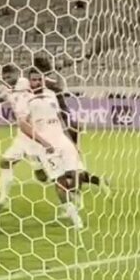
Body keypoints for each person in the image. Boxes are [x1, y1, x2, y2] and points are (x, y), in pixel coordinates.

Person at [20, 67, 85, 228]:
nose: (37, 82)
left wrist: (73, 143)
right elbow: (23, 126)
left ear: (44, 80)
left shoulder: (51, 95)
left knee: (78, 173)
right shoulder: (26, 99)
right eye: (33, 80)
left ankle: (72, 201)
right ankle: (73, 215)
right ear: (30, 82)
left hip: (62, 139)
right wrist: (43, 143)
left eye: (39, 79)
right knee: (60, 180)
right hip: (46, 145)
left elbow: (60, 119)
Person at [32, 54, 106, 192]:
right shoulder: (53, 84)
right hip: (69, 123)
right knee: (70, 163)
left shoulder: (44, 85)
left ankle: (79, 189)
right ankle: (88, 184)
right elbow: (59, 86)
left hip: (62, 126)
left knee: (62, 166)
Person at [0, 63, 44, 210]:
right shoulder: (8, 89)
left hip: (34, 135)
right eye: (4, 77)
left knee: (43, 176)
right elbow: (2, 97)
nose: (7, 79)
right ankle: (3, 199)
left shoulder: (25, 82)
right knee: (5, 162)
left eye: (9, 76)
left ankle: (81, 181)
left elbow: (40, 82)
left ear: (16, 74)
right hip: (22, 135)